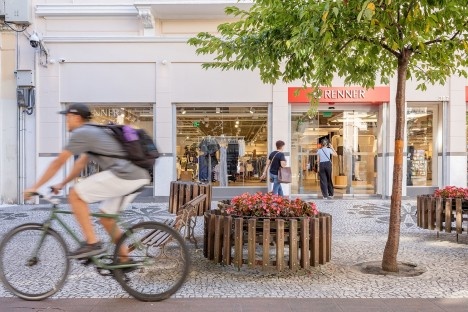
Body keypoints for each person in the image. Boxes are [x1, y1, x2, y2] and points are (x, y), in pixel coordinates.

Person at [24, 103, 150, 261]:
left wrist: (35, 187)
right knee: (107, 219)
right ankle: (124, 258)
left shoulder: (82, 132)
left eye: (68, 117)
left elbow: (58, 162)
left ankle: (92, 243)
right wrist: (62, 183)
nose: (66, 122)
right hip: (136, 175)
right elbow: (80, 163)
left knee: (75, 194)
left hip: (125, 174)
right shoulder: (94, 131)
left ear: (76, 117)